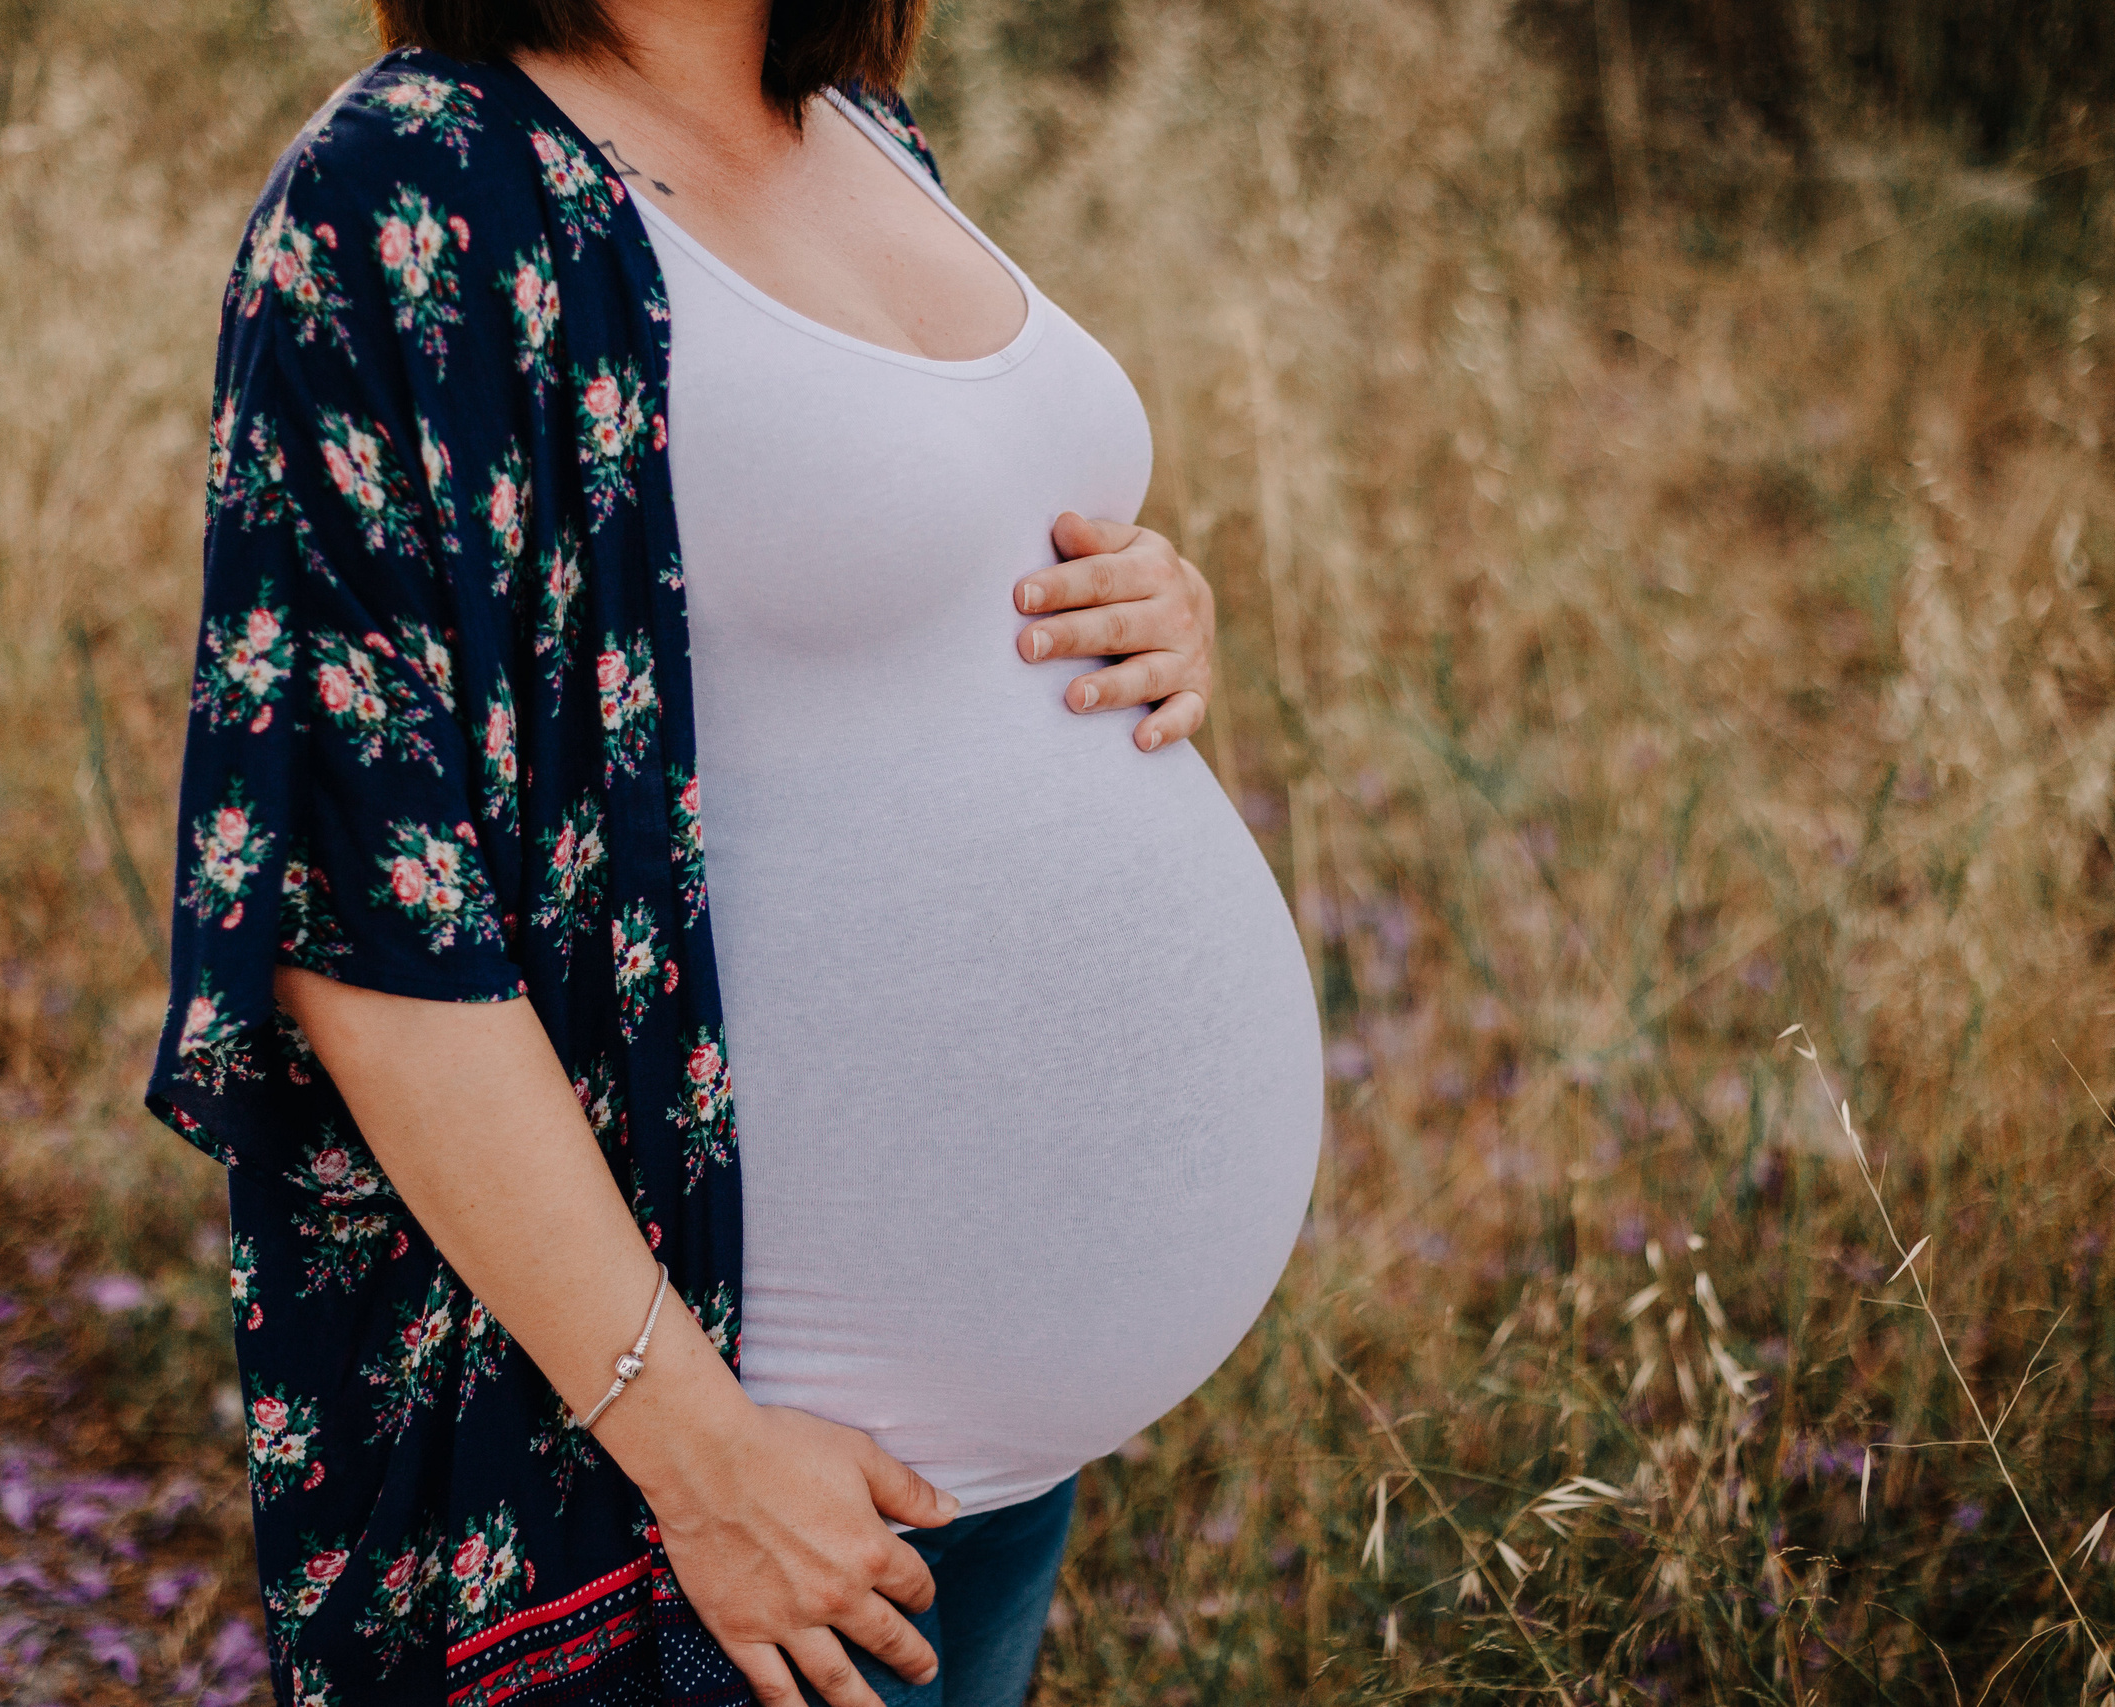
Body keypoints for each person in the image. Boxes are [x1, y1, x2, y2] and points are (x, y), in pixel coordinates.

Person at [144, 3, 1323, 1704]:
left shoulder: (856, 124)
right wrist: (699, 1456)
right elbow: (363, 906)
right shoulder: (407, 187)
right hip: (721, 1497)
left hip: (980, 1488)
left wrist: (1157, 602)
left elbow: (895, 564)